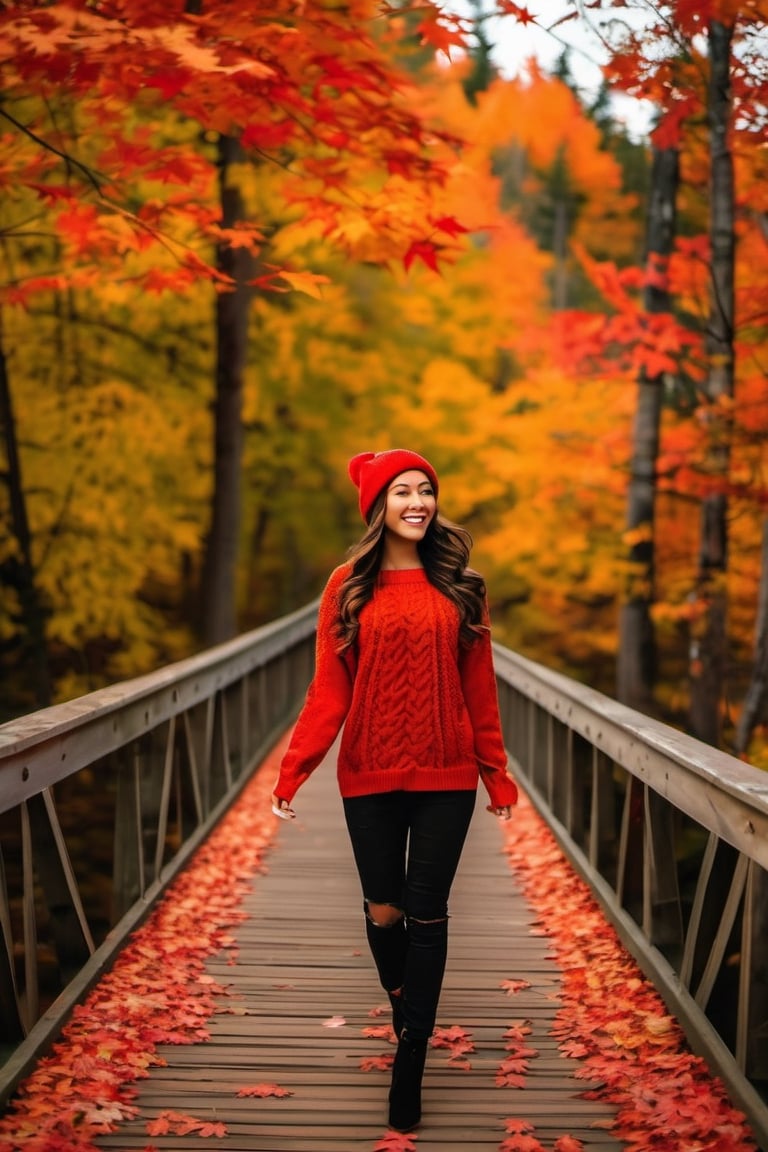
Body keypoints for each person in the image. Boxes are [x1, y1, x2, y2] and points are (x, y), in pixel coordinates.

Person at [271, 448, 518, 1133]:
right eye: (403, 491)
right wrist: (294, 769)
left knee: (428, 911)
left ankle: (410, 1055)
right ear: (379, 505)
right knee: (385, 910)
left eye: (427, 491)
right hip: (370, 773)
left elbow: (480, 688)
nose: (418, 502)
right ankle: (406, 1000)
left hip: (446, 772)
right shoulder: (347, 585)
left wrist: (496, 774)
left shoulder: (462, 585)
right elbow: (329, 687)